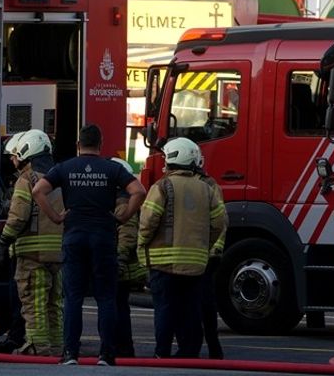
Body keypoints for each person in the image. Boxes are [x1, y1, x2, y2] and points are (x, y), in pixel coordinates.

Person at [33, 124, 146, 367]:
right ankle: (106, 354)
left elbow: (38, 190)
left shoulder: (64, 168)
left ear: (78, 145)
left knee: (72, 298)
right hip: (103, 237)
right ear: (100, 144)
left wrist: (55, 216)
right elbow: (138, 190)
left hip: (74, 236)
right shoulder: (112, 168)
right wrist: (124, 216)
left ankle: (70, 354)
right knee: (106, 297)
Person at [138, 137, 226, 359]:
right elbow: (219, 222)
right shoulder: (206, 188)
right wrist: (205, 245)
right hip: (196, 263)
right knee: (191, 310)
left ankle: (162, 353)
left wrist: (143, 245)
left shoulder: (162, 186)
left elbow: (148, 221)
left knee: (165, 309)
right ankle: (189, 353)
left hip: (163, 263)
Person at [0, 129, 64, 356]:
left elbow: (18, 217)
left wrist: (4, 240)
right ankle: (56, 347)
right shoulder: (59, 177)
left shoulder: (27, 179)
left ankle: (37, 347)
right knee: (54, 305)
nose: (13, 160)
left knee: (34, 305)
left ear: (26, 152)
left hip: (32, 256)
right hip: (58, 255)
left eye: (15, 155)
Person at [110, 157, 146, 360]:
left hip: (122, 268)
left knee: (118, 308)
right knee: (119, 307)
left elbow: (127, 234)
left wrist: (120, 260)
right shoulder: (123, 199)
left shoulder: (123, 202)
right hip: (123, 266)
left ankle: (122, 349)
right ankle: (122, 347)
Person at [195, 158, 226, 359]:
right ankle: (214, 348)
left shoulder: (198, 185)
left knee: (195, 303)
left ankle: (195, 347)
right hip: (208, 252)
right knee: (206, 303)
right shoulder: (210, 184)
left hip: (198, 254)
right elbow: (221, 219)